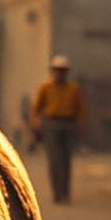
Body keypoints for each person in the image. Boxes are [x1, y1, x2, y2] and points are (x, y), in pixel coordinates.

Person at [30, 55, 84, 203]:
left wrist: (79, 127)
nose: (59, 73)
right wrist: (36, 127)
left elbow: (79, 109)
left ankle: (65, 194)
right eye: (57, 70)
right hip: (51, 125)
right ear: (52, 71)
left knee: (66, 160)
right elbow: (36, 108)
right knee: (54, 160)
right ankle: (57, 194)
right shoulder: (45, 88)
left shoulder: (73, 89)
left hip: (68, 124)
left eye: (62, 71)